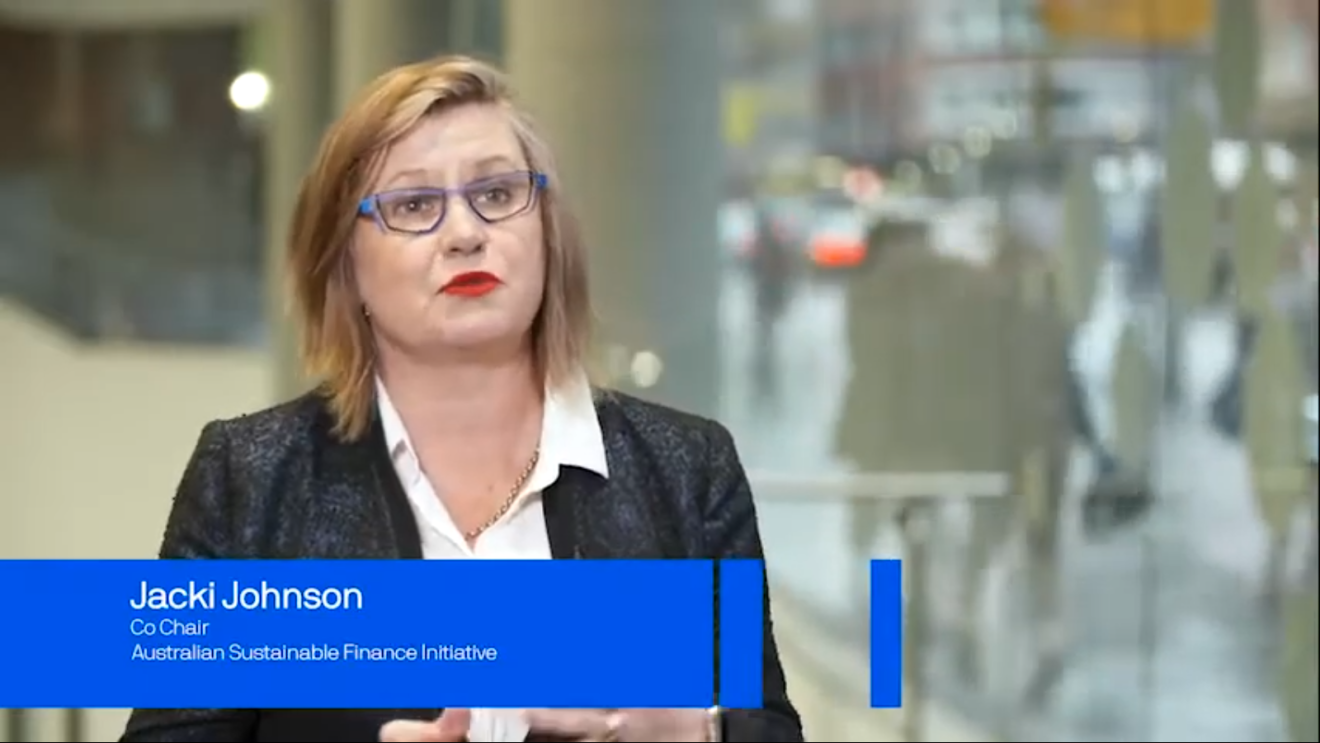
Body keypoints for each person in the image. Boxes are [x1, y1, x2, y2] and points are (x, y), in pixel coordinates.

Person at [119, 54, 802, 743]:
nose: (466, 232)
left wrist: (691, 733)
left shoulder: (686, 467)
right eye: (414, 205)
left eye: (498, 194)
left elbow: (766, 727)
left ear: (547, 233)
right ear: (345, 263)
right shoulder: (251, 477)